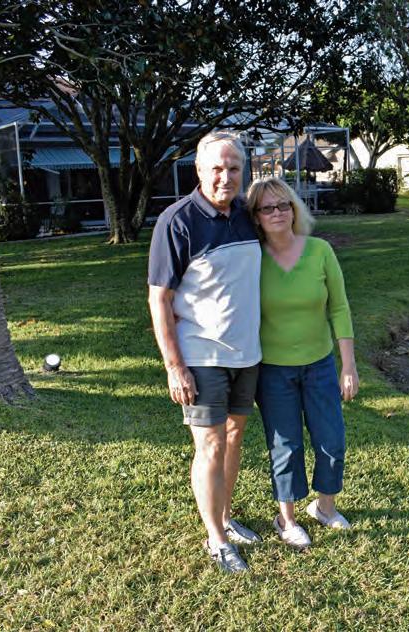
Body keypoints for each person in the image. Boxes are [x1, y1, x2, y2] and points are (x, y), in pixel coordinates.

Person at [147, 131, 262, 573]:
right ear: (198, 170)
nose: (225, 177)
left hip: (246, 354)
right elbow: (159, 298)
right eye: (216, 168)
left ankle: (226, 517)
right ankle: (216, 538)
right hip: (202, 355)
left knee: (233, 439)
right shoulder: (176, 221)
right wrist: (174, 366)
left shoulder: (248, 215)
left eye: (234, 168)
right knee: (211, 445)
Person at [245, 176, 358, 549]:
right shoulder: (252, 259)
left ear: (294, 209)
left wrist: (348, 365)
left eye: (283, 205)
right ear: (256, 216)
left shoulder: (320, 251)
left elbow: (339, 308)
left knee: (332, 439)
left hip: (320, 366)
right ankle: (287, 518)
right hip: (273, 371)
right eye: (267, 208)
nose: (277, 213)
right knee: (286, 445)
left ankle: (325, 508)